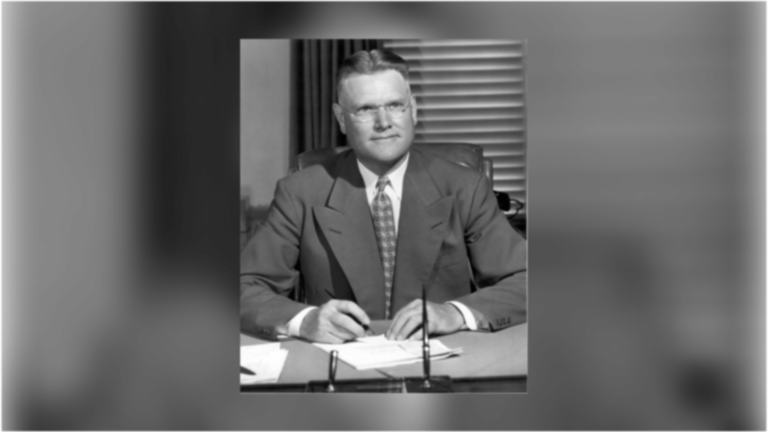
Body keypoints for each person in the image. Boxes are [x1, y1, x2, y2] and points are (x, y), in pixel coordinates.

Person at [241, 49, 526, 344]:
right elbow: (245, 286)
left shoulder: (465, 186)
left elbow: (527, 279)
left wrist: (454, 312)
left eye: (395, 105)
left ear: (413, 110)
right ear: (341, 118)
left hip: (441, 361)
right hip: (341, 366)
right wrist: (304, 320)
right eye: (365, 109)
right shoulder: (300, 191)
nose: (383, 121)